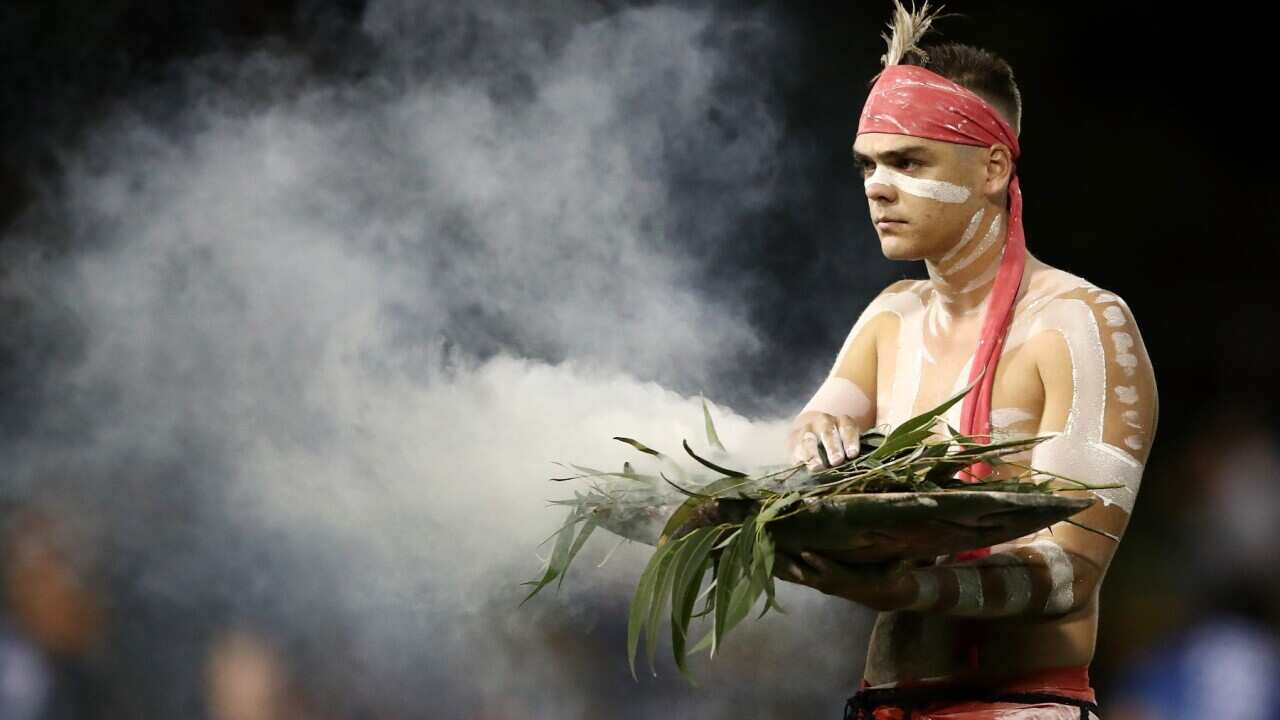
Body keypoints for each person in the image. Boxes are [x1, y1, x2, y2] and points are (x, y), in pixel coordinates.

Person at [775, 2, 1159, 718]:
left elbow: (1068, 573)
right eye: (868, 164)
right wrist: (805, 454)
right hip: (883, 704)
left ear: (991, 167)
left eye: (908, 160)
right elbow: (813, 435)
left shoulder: (1080, 325)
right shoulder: (891, 318)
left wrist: (901, 586)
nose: (876, 186)